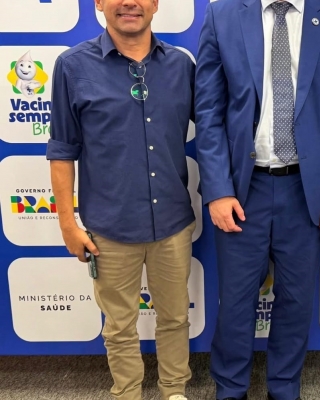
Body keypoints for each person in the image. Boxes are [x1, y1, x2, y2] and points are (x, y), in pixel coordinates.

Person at [194, 0, 320, 398]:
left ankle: (284, 388)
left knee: (297, 300)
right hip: (242, 188)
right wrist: (218, 189)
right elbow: (209, 111)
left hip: (306, 189)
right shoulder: (222, 16)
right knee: (235, 302)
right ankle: (230, 389)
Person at [46, 1, 195, 399]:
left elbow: (217, 131)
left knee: (175, 318)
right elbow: (62, 150)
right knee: (119, 326)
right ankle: (127, 392)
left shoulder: (182, 66)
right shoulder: (72, 66)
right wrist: (67, 223)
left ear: (156, 4)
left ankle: (174, 390)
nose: (130, 2)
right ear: (98, 2)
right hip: (109, 227)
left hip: (172, 223)